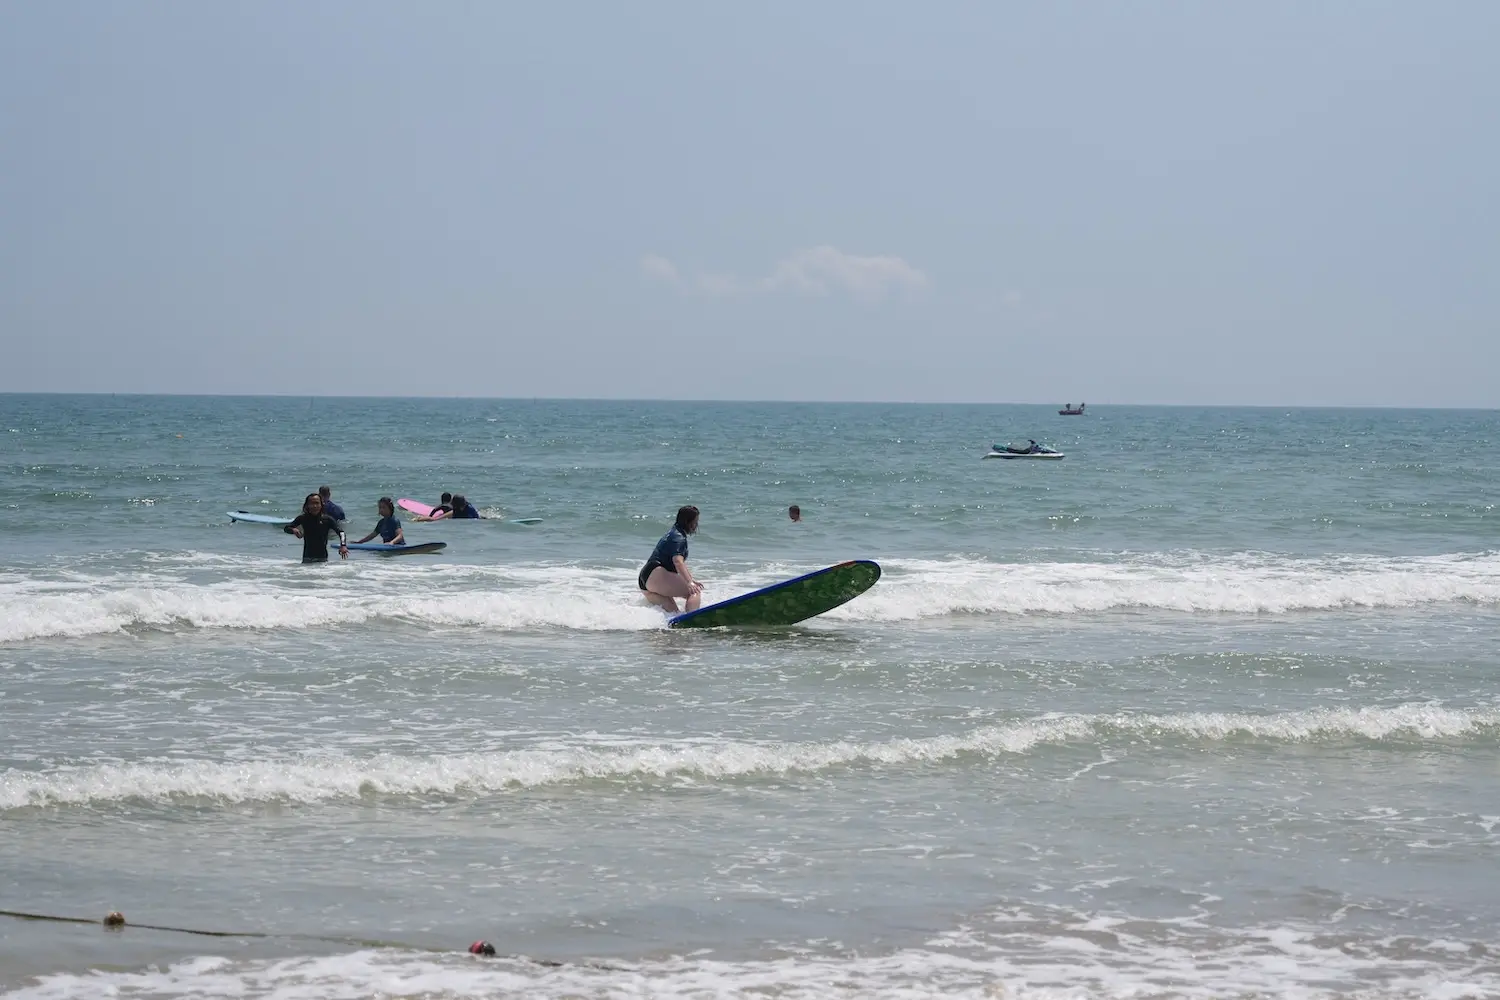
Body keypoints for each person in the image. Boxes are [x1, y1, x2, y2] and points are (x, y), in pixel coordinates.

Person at [638, 505, 702, 613]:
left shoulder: (672, 533)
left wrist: (691, 580)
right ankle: (693, 618)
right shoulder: (679, 537)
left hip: (645, 579)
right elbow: (677, 561)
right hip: (656, 574)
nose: (696, 525)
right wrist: (690, 583)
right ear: (688, 522)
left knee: (675, 615)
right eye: (695, 522)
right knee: (694, 592)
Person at [284, 493, 348, 563]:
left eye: (317, 503)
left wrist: (343, 545)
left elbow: (341, 532)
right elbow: (286, 528)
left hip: (322, 558)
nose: (314, 506)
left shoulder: (327, 519)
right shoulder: (303, 518)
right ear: (307, 505)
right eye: (311, 503)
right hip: (307, 558)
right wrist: (293, 530)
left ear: (321, 505)